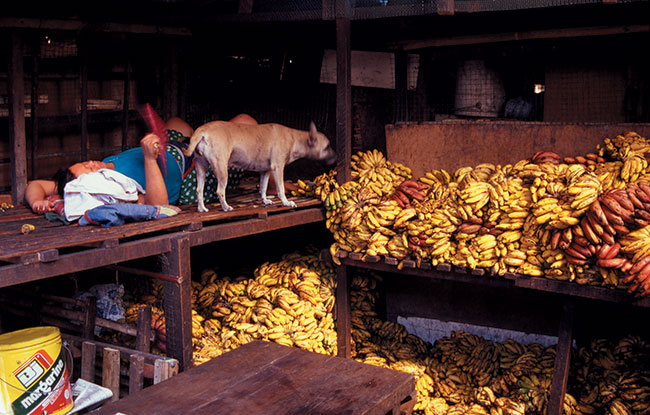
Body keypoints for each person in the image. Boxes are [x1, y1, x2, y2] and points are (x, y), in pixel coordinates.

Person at [25, 114, 258, 214]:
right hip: (192, 172)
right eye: (89, 168)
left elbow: (37, 184)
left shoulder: (103, 168)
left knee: (177, 121)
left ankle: (201, 139)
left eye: (84, 162)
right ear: (91, 184)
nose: (91, 163)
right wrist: (148, 158)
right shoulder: (115, 190)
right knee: (245, 123)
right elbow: (158, 206)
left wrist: (37, 201)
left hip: (176, 148)